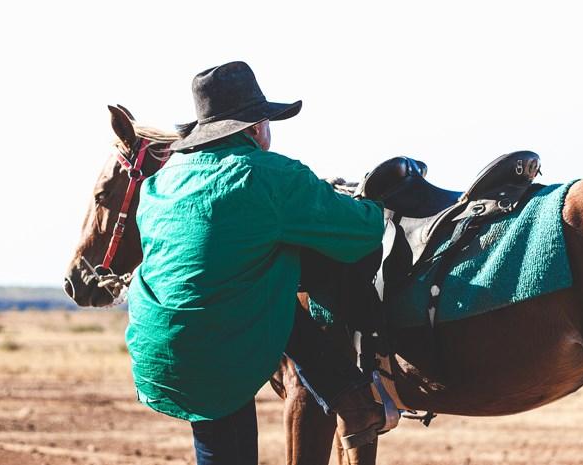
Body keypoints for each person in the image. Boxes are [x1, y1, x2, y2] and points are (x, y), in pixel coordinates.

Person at [126, 61, 389, 465]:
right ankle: (352, 393)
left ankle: (347, 397)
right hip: (214, 352)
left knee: (264, 265)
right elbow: (366, 230)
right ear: (254, 127)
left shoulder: (162, 182)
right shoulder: (267, 175)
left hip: (156, 349)